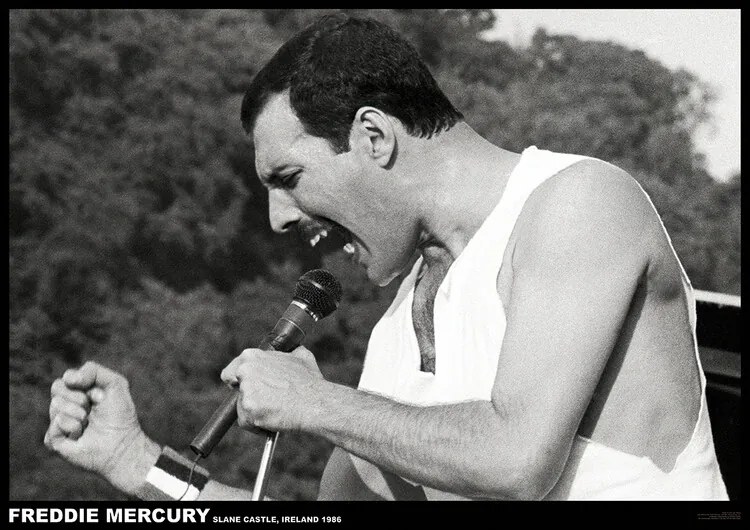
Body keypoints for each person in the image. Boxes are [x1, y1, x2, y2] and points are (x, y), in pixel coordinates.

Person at [45, 13, 728, 501]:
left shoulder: (579, 203)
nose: (280, 219)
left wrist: (317, 403)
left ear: (373, 136)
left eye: (287, 178)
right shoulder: (394, 332)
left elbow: (517, 461)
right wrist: (133, 461)